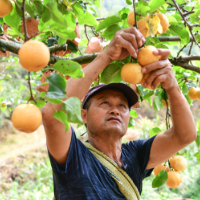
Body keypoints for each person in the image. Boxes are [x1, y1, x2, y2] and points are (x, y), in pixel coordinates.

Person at [42, 27, 197, 200]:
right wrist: (106, 56)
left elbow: (185, 136)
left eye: (122, 106)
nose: (115, 109)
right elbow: (51, 114)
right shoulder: (75, 156)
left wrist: (172, 86)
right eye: (104, 103)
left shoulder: (135, 156)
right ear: (83, 115)